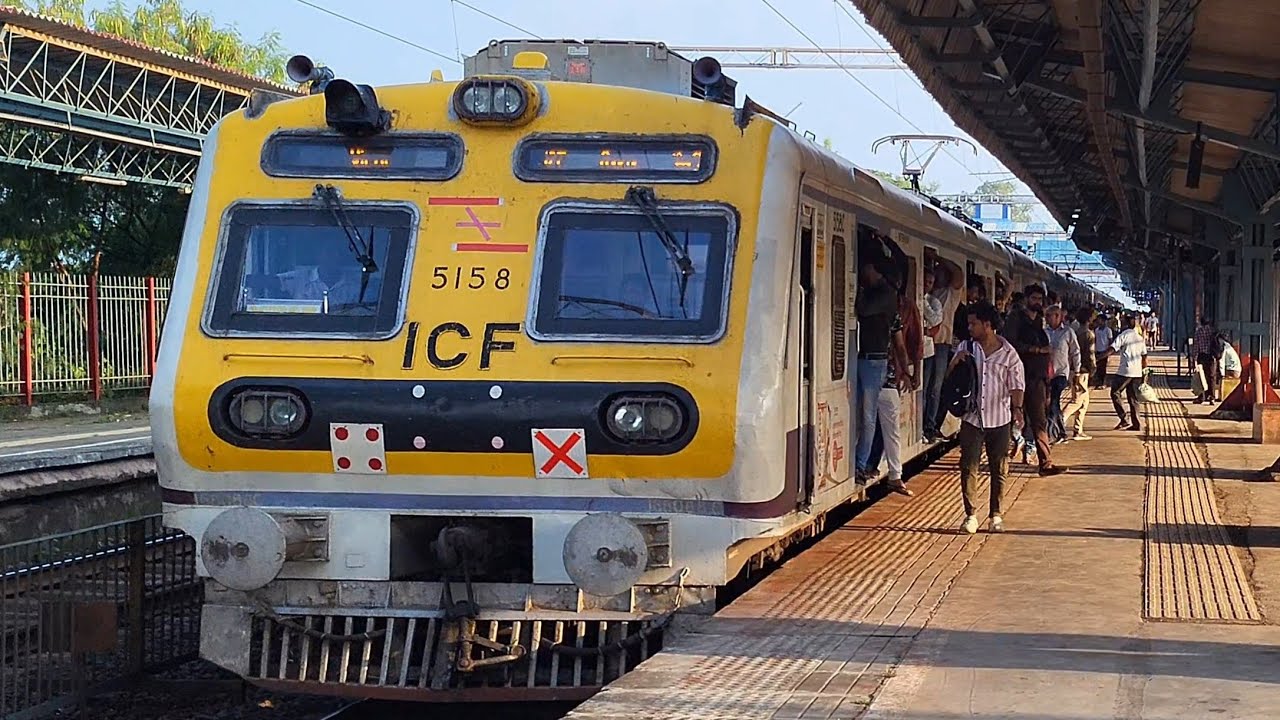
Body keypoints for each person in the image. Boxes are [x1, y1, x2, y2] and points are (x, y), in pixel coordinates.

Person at [948, 301, 1025, 534]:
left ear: (988, 325)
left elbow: (1017, 385)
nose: (969, 328)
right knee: (968, 466)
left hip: (999, 419)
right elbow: (950, 376)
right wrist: (956, 360)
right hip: (972, 418)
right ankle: (970, 514)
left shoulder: (1009, 354)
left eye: (974, 324)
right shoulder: (966, 346)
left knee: (999, 468)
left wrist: (1017, 410)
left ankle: (996, 515)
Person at [1002, 284, 1066, 476]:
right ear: (1027, 299)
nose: (1037, 302)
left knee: (1039, 420)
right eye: (1034, 299)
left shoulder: (1038, 320)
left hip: (1038, 379)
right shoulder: (1016, 319)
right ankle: (1001, 463)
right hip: (1018, 378)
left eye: (1040, 299)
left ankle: (1045, 463)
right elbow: (1010, 344)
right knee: (1009, 419)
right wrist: (1036, 350)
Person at [865, 288, 919, 496]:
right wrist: (907, 372)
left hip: (869, 378)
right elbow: (901, 347)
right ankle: (895, 475)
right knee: (890, 429)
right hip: (887, 379)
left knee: (868, 423)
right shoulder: (893, 316)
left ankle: (866, 466)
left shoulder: (865, 310)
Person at [855, 257, 898, 482]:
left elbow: (863, 309)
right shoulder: (881, 291)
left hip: (874, 361)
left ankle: (861, 463)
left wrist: (858, 288)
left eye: (866, 266)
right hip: (866, 358)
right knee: (864, 414)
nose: (863, 270)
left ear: (875, 268)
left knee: (868, 415)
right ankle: (860, 461)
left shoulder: (884, 294)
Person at [1102, 314, 1148, 431]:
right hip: (1137, 372)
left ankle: (1124, 419)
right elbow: (1144, 357)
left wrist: (1098, 358)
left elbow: (1112, 349)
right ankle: (1136, 424)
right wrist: (1144, 372)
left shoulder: (1124, 335)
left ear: (1125, 324)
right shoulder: (1139, 337)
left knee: (1115, 393)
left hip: (1125, 371)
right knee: (1133, 398)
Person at [1045, 305, 1081, 443]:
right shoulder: (1044, 332)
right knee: (1052, 404)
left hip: (1061, 373)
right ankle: (1061, 432)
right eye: (1046, 316)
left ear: (1058, 316)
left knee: (1053, 402)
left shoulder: (1068, 332)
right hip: (1047, 373)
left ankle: (1051, 433)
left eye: (1050, 316)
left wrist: (1076, 371)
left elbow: (1075, 352)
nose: (1047, 319)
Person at [1063, 307, 1097, 441]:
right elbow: (1091, 354)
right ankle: (1059, 421)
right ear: (1089, 319)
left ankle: (1078, 430)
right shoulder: (1089, 334)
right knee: (1077, 401)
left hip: (1073, 369)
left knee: (1084, 401)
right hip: (1082, 371)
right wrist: (1093, 369)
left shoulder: (1075, 332)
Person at [920, 267, 946, 441]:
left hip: (928, 351)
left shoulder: (933, 302)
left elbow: (936, 321)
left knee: (931, 388)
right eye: (925, 281)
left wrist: (921, 301)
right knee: (920, 390)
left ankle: (928, 424)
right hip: (917, 349)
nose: (926, 285)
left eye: (930, 282)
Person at [1192, 316, 1220, 404]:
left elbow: (1196, 346)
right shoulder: (1213, 331)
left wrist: (1194, 359)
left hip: (1202, 356)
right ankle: (1212, 397)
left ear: (1201, 322)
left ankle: (1202, 397)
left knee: (1201, 377)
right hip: (1211, 356)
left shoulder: (1198, 332)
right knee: (1211, 377)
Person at [1092, 314, 1113, 389]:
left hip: (1104, 351)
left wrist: (1109, 351)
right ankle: (1098, 382)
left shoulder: (1108, 330)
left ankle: (1103, 383)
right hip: (1097, 350)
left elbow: (1110, 341)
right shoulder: (1096, 330)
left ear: (1104, 321)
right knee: (1098, 367)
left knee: (1103, 368)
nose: (1098, 321)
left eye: (1100, 320)